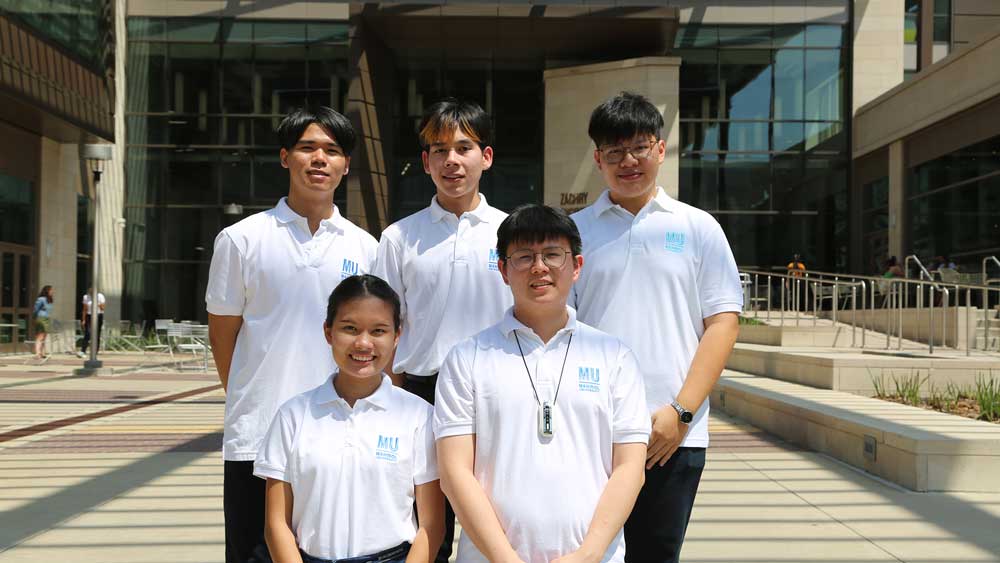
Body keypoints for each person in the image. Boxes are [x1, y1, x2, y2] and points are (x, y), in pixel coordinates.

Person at [571, 92, 743, 563]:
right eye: (614, 152)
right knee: (584, 553)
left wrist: (681, 413)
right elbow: (558, 329)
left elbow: (723, 323)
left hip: (673, 435)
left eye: (639, 148)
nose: (628, 161)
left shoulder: (698, 227)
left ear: (660, 150)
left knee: (655, 555)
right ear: (598, 159)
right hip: (590, 431)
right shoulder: (573, 234)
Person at [206, 106, 378, 563]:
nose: (319, 159)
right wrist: (249, 395)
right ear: (285, 157)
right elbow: (223, 335)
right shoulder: (241, 239)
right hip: (256, 435)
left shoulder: (365, 247)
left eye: (333, 150)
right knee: (253, 553)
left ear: (345, 165)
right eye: (307, 148)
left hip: (338, 434)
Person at [435, 204, 650, 563]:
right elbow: (454, 472)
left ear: (576, 266)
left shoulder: (614, 356)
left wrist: (588, 554)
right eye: (523, 256)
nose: (539, 267)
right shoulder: (466, 358)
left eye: (553, 254)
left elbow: (630, 467)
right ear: (503, 270)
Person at [373, 98, 512, 562]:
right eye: (439, 149)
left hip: (498, 393)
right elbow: (383, 329)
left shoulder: (511, 233)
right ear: (426, 161)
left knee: (495, 519)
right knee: (423, 528)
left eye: (464, 147)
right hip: (420, 397)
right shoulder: (398, 237)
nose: (451, 160)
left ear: (486, 157)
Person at [255, 275, 444, 563]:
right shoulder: (293, 416)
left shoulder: (419, 417)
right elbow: (276, 524)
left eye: (379, 330)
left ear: (397, 337)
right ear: (328, 332)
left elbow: (432, 526)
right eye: (350, 328)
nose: (364, 343)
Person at [80, 288, 105, 357]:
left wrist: (97, 303)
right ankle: (83, 351)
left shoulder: (100, 296)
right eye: (90, 291)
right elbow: (84, 309)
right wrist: (83, 320)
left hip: (98, 315)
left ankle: (95, 351)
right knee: (88, 333)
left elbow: (103, 308)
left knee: (97, 334)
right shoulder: (86, 297)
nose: (91, 292)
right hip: (89, 315)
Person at [33, 285, 54, 359]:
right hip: (41, 318)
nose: (52, 292)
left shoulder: (49, 300)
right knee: (40, 336)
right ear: (47, 291)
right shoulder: (41, 299)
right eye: (51, 290)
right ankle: (37, 353)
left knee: (44, 336)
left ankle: (42, 352)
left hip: (47, 318)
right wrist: (34, 317)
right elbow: (35, 309)